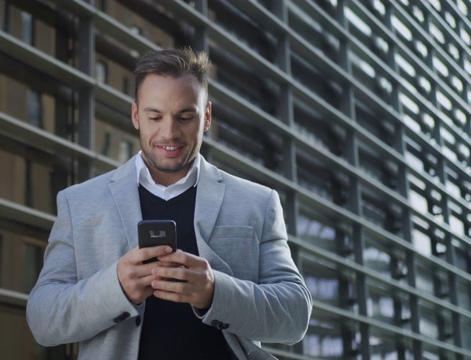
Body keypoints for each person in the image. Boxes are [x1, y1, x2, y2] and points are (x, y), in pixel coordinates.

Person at [27, 47, 312, 360]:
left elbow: (295, 315)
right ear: (136, 115)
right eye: (155, 116)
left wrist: (215, 291)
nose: (170, 133)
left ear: (206, 117)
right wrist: (116, 287)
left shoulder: (257, 202)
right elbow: (43, 319)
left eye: (185, 117)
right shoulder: (79, 202)